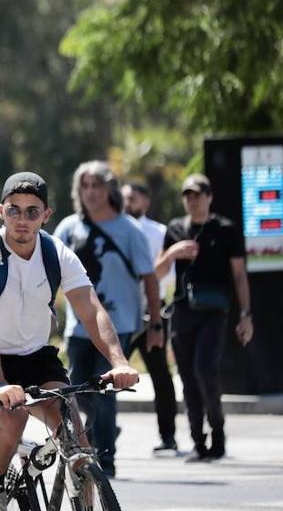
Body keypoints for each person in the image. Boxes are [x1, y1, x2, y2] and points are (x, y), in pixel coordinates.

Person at [0, 173, 138, 511]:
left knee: (74, 434)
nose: (22, 220)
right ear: (1, 211)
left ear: (46, 215)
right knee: (12, 416)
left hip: (35, 355)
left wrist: (119, 361)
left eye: (32, 212)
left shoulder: (55, 253)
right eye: (14, 211)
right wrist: (0, 384)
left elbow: (91, 309)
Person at [54, 161, 160, 478]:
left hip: (118, 326)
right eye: (85, 186)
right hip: (77, 327)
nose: (90, 193)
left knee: (106, 392)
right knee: (76, 395)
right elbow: (47, 273)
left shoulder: (129, 229)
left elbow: (150, 278)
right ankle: (94, 444)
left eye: (96, 186)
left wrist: (155, 324)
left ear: (110, 190)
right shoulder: (69, 228)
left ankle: (106, 461)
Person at [155, 173, 253, 462]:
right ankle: (198, 442)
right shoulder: (175, 228)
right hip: (182, 312)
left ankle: (218, 436)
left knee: (204, 371)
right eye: (187, 195)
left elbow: (239, 275)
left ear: (209, 197)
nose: (192, 200)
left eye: (197, 194)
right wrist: (173, 253)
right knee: (187, 378)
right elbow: (156, 272)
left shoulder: (225, 229)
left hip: (214, 312)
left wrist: (246, 315)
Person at [123, 181, 181, 454]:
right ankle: (103, 429)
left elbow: (164, 274)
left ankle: (168, 436)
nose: (127, 202)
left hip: (151, 314)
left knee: (160, 375)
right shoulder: (113, 229)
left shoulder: (158, 233)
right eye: (123, 198)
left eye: (132, 198)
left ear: (145, 202)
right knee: (101, 375)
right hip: (119, 316)